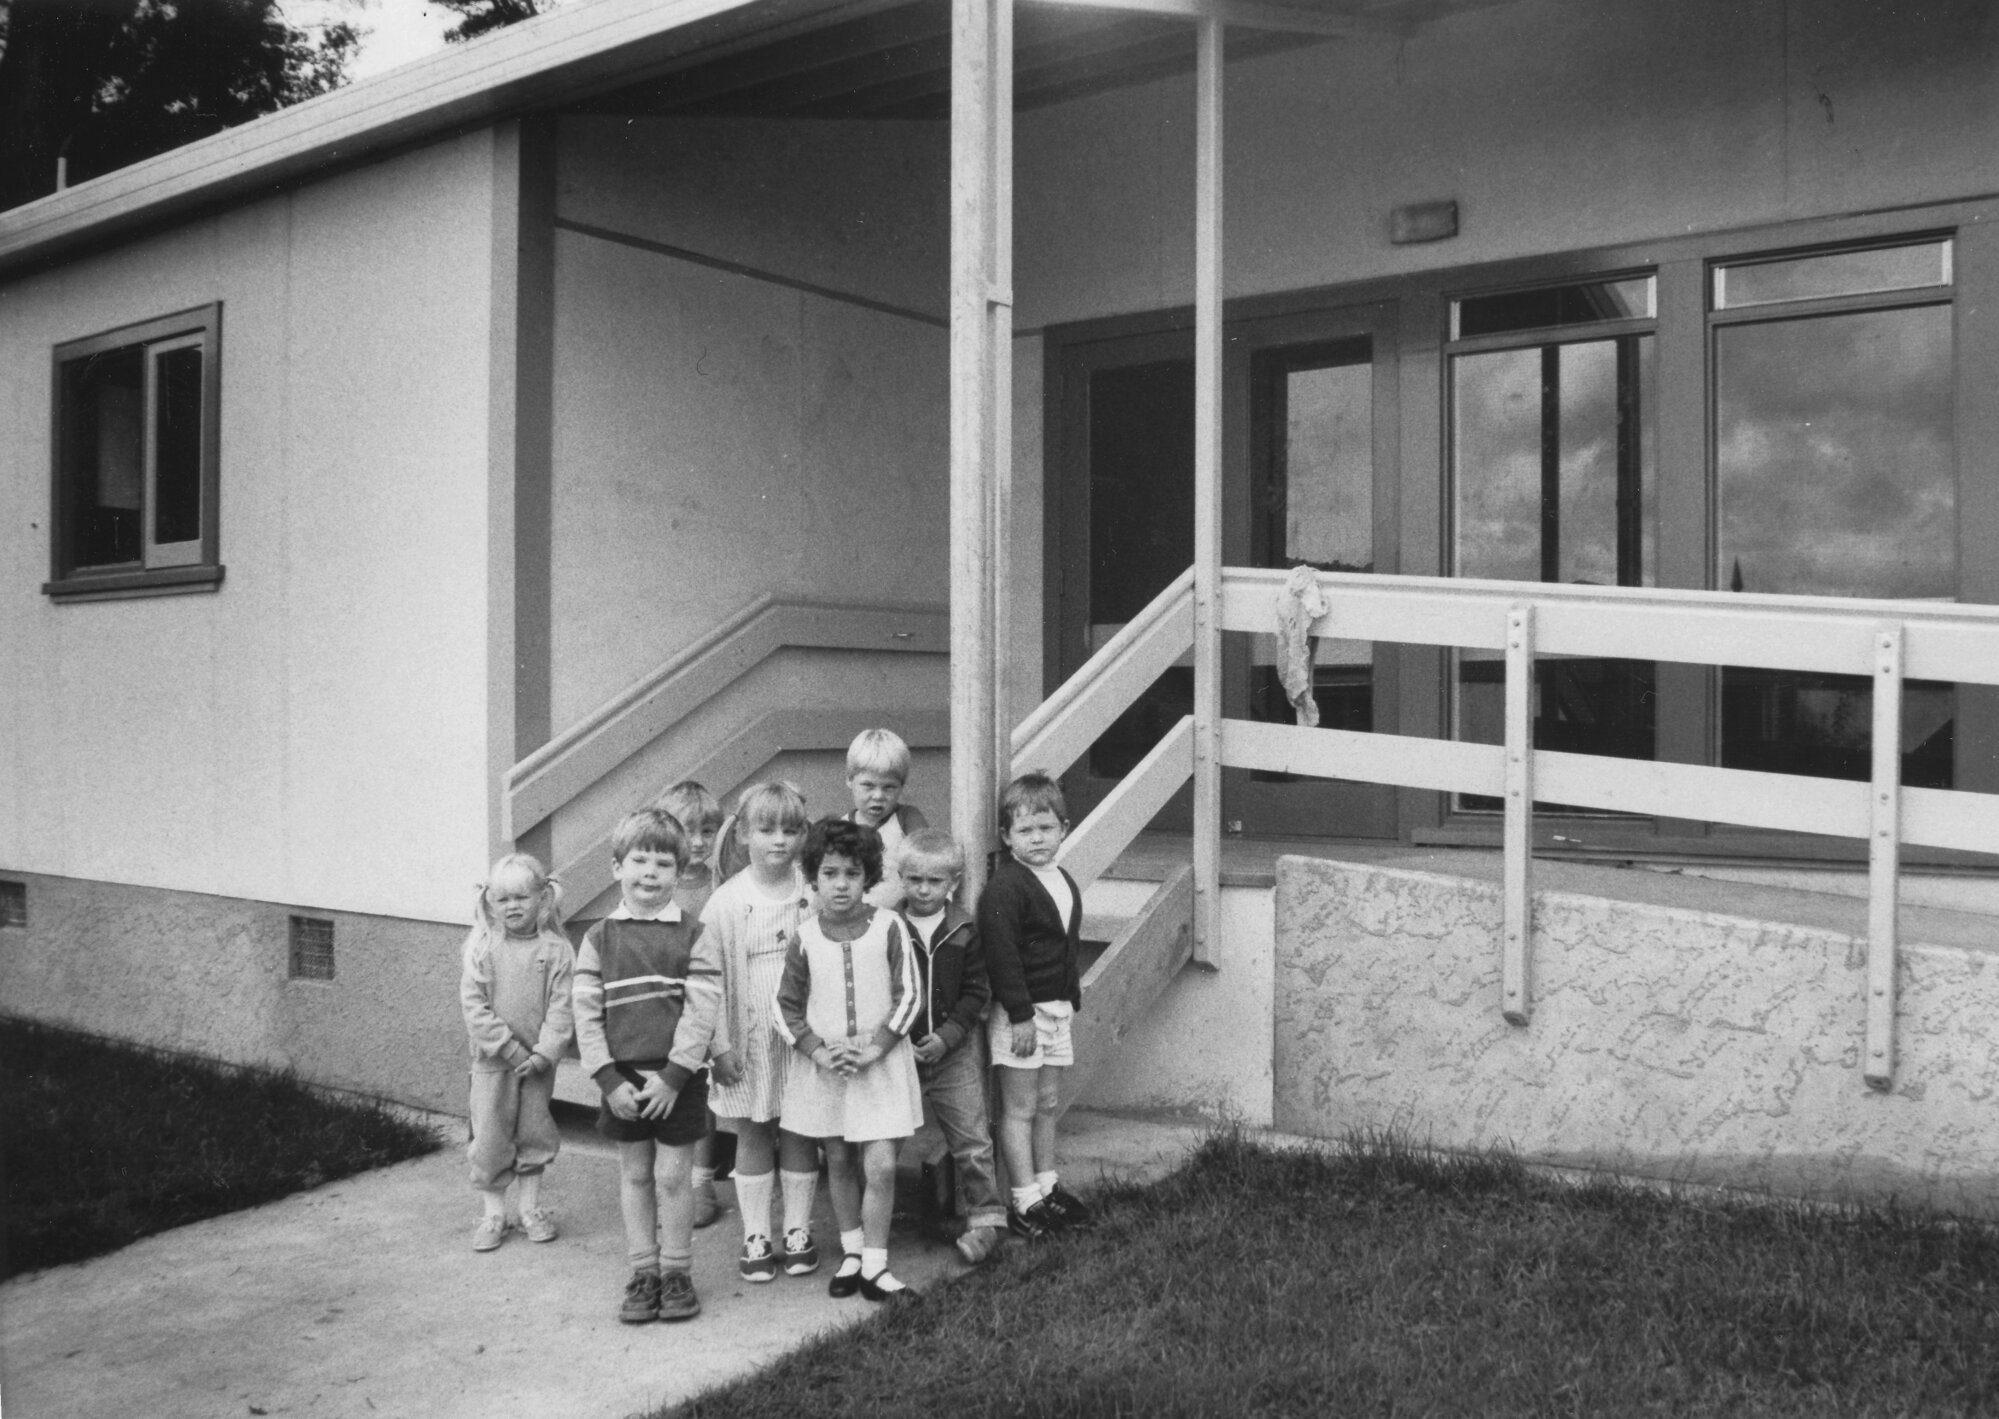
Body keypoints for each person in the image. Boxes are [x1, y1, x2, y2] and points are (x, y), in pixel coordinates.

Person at [573, 807, 722, 1324]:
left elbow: (701, 1012)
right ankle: (644, 1272)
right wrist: (608, 1080)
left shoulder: (695, 934)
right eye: (640, 860)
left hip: (678, 1079)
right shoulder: (598, 939)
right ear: (617, 867)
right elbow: (586, 1017)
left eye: (663, 864)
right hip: (622, 1081)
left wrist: (675, 1077)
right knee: (636, 1175)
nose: (651, 873)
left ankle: (677, 1272)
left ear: (679, 874)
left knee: (674, 1177)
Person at [775, 818, 924, 1300]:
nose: (841, 884)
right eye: (830, 873)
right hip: (828, 1069)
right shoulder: (804, 937)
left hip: (880, 1065)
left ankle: (876, 1265)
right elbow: (784, 1007)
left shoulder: (890, 926)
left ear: (869, 877)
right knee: (838, 1160)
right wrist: (819, 1052)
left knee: (880, 1166)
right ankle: (853, 1253)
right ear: (813, 878)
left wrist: (876, 1047)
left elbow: (910, 995)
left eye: (853, 874)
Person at [700, 781, 823, 1282]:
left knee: (799, 1129)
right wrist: (719, 1047)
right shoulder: (726, 902)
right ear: (743, 834)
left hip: (802, 1034)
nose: (779, 840)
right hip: (749, 1035)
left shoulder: (811, 891)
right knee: (754, 1130)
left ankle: (797, 1229)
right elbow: (708, 983)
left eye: (790, 830)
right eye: (767, 830)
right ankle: (756, 1235)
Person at [979, 771, 1093, 1239]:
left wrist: (1070, 997)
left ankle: (1048, 1187)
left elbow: (1065, 946)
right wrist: (1021, 1015)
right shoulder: (1006, 887)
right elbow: (1002, 957)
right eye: (1025, 830)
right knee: (1020, 1108)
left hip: (1057, 1009)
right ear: (1007, 837)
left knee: (1047, 1104)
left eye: (1046, 827)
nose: (1038, 838)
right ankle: (1025, 1200)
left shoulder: (1062, 879)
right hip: (1021, 1016)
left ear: (1063, 829)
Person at [896, 828, 1008, 1264]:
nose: (924, 890)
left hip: (952, 1054)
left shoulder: (963, 929)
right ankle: (874, 1221)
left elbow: (977, 991)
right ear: (901, 877)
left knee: (971, 1139)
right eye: (914, 879)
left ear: (953, 882)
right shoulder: (888, 928)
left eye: (934, 881)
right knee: (883, 1139)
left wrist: (947, 1037)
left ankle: (986, 1221)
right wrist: (898, 1038)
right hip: (899, 1054)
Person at [459, 853, 574, 1253]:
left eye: (522, 897)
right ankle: (494, 1214)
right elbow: (474, 1008)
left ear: (542, 897)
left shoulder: (556, 950)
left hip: (536, 1068)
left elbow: (562, 1008)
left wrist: (544, 1053)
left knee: (533, 1134)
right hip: (493, 1065)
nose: (512, 906)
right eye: (503, 899)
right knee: (490, 1138)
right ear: (490, 901)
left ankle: (529, 1209)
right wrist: (508, 1049)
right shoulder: (483, 948)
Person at [653, 780, 732, 1229]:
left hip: (710, 1002)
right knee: (667, 1088)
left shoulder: (722, 882)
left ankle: (702, 1181)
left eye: (708, 830)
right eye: (688, 830)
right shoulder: (659, 884)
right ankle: (668, 1180)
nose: (699, 842)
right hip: (667, 1003)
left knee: (701, 1092)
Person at [842, 727, 929, 909]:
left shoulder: (907, 819)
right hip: (854, 918)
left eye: (889, 787)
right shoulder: (841, 828)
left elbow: (928, 857)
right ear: (850, 780)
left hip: (902, 917)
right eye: (868, 786)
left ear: (902, 786)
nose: (878, 796)